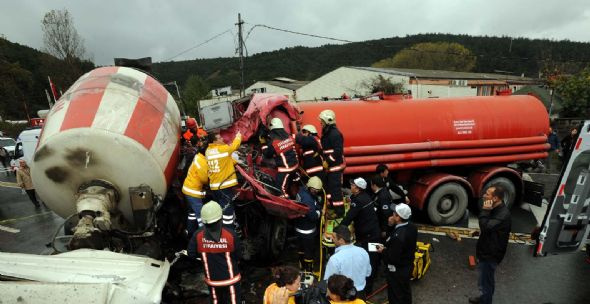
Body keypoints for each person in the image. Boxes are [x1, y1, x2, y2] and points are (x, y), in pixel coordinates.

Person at [189, 201, 241, 304]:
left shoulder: (198, 235)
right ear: (220, 217)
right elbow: (238, 256)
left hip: (212, 282)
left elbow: (191, 254)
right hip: (231, 281)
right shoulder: (231, 235)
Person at [469, 185, 511, 304]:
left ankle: (485, 301)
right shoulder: (496, 209)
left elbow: (486, 227)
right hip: (487, 250)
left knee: (485, 281)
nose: (484, 196)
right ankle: (484, 298)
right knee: (485, 280)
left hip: (490, 254)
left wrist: (485, 211)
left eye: (487, 194)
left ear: (495, 198)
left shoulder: (502, 214)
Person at [339, 177, 380, 294]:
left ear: (357, 188)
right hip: (374, 233)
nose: (350, 186)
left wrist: (339, 229)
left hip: (369, 237)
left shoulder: (359, 201)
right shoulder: (365, 196)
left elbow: (349, 217)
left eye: (352, 185)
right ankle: (370, 282)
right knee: (372, 260)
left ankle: (367, 290)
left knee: (371, 261)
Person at [377, 203, 417, 304]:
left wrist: (383, 251)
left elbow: (392, 258)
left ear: (398, 217)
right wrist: (391, 225)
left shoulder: (398, 237)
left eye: (394, 213)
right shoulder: (412, 227)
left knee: (395, 296)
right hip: (407, 266)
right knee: (405, 291)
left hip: (397, 272)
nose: (392, 214)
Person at [324, 225, 371, 298]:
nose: (331, 239)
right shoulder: (363, 252)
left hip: (343, 297)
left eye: (333, 237)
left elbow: (329, 283)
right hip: (361, 295)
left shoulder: (335, 259)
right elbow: (368, 273)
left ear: (341, 240)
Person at [206, 131, 241, 226]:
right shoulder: (223, 149)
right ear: (214, 141)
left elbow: (223, 161)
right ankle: (228, 230)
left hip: (214, 187)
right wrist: (238, 136)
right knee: (228, 210)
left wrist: (234, 162)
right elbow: (235, 146)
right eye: (219, 138)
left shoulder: (208, 151)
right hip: (224, 186)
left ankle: (222, 227)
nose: (222, 139)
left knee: (221, 209)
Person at [263, 118, 300, 198]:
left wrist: (264, 144)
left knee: (279, 189)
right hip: (295, 166)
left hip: (286, 169)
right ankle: (292, 196)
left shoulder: (275, 143)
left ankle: (286, 204)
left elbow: (267, 154)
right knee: (289, 184)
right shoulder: (289, 137)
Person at [319, 110, 345, 218]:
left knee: (335, 190)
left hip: (335, 168)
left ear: (327, 121)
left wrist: (327, 161)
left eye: (322, 121)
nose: (320, 123)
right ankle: (332, 206)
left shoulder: (334, 134)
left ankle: (339, 212)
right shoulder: (327, 132)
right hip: (330, 168)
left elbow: (338, 151)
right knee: (329, 188)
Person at [292, 178, 322, 273]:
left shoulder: (301, 192)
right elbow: (313, 216)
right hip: (308, 231)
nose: (316, 192)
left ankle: (301, 266)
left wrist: (316, 205)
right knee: (309, 252)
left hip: (299, 228)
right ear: (311, 188)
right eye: (316, 191)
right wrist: (320, 212)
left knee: (301, 249)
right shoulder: (308, 200)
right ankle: (309, 271)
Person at [182, 138, 209, 236]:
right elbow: (205, 179)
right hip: (193, 192)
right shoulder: (202, 162)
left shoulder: (198, 157)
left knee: (192, 214)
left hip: (188, 189)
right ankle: (204, 237)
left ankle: (190, 232)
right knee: (201, 215)